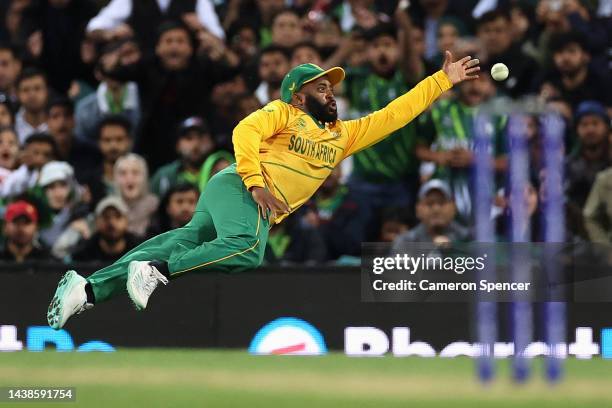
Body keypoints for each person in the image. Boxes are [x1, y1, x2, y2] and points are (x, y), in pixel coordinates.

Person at [47, 52, 480, 329]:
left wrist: (441, 81)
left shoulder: (343, 136)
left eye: (332, 87)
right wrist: (254, 184)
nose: (331, 93)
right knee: (249, 248)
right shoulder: (283, 113)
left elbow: (394, 114)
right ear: (297, 96)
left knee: (179, 240)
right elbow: (244, 131)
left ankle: (86, 289)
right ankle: (159, 269)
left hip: (235, 195)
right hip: (239, 187)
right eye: (321, 87)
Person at [150, 116, 215, 198]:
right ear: (177, 145)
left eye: (201, 137)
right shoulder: (164, 176)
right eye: (189, 138)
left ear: (211, 143)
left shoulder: (221, 174)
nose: (195, 144)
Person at [392, 179, 471, 246]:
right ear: (418, 209)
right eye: (429, 204)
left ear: (454, 207)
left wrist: (452, 251)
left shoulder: (468, 239)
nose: (436, 209)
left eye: (441, 203)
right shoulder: (405, 242)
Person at [72, 196, 140, 263]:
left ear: (126, 221)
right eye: (106, 217)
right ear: (96, 221)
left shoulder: (139, 251)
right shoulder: (83, 254)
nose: (112, 222)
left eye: (118, 216)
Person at [113, 153, 158, 238]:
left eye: (135, 173)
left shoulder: (156, 207)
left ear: (145, 177)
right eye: (123, 173)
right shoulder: (109, 207)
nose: (129, 179)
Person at [14, 68, 49, 143]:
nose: (32, 95)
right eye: (26, 90)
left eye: (37, 88)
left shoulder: (59, 123)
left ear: (46, 91)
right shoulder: (12, 124)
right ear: (17, 94)